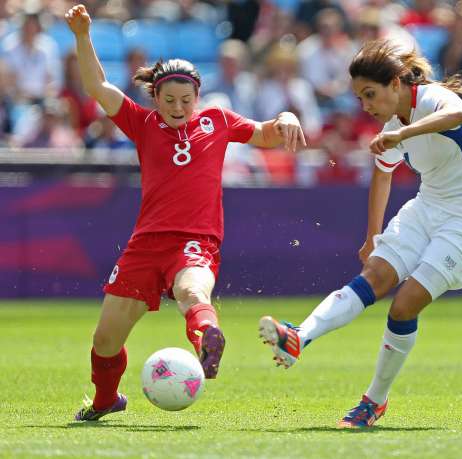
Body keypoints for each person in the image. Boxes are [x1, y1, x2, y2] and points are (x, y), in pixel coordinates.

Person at [65, 4, 306, 422]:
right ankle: (106, 399)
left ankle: (207, 340)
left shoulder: (217, 121)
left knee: (193, 292)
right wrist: (83, 35)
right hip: (146, 244)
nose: (178, 107)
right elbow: (98, 85)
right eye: (169, 99)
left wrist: (284, 116)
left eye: (186, 99)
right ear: (155, 97)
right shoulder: (141, 124)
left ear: (198, 96)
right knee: (105, 339)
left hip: (196, 242)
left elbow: (266, 133)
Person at [259, 39, 462, 428]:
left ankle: (374, 401)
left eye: (370, 94)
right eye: (360, 98)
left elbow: (456, 117)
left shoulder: (433, 100)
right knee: (373, 277)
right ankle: (298, 337)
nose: (366, 106)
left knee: (404, 304)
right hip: (428, 208)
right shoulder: (394, 126)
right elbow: (382, 172)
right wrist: (372, 236)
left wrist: (401, 137)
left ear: (396, 83)